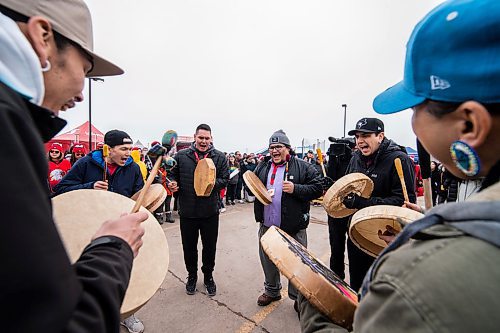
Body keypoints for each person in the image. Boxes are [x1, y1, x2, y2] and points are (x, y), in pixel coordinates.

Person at [299, 1, 500, 331]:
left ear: (469, 125)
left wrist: (314, 306)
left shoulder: (409, 279)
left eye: (416, 108)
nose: (414, 123)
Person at [0, 0, 148, 332]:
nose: (82, 93)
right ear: (42, 36)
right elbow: (59, 320)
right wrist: (113, 247)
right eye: (85, 68)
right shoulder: (7, 127)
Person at [340, 117, 416, 291]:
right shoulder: (355, 158)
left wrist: (363, 203)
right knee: (358, 283)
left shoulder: (399, 159)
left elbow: (404, 202)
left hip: (386, 236)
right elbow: (347, 184)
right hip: (356, 232)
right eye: (357, 136)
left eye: (365, 135)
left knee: (381, 287)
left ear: (380, 136)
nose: (360, 141)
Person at [252, 130, 323, 310]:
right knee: (268, 260)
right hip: (267, 225)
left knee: (297, 264)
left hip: (293, 226)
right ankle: (272, 291)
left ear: (288, 148)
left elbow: (318, 188)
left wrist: (296, 188)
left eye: (279, 147)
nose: (275, 151)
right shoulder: (263, 166)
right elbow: (253, 183)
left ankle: (297, 297)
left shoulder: (303, 166)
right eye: (272, 147)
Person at [167, 124, 229, 296]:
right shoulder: (181, 156)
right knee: (189, 247)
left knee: (209, 247)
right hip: (187, 211)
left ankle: (208, 276)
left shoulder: (219, 157)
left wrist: (209, 185)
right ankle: (192, 275)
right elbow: (172, 175)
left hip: (210, 211)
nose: (203, 141)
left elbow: (225, 178)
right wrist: (171, 183)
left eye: (207, 138)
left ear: (211, 138)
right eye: (200, 138)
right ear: (195, 137)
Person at [54, 130, 144, 198]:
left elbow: (138, 196)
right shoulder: (85, 163)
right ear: (108, 149)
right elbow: (61, 189)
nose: (128, 153)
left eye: (130, 149)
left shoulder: (134, 168)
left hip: (120, 218)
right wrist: (90, 186)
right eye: (124, 149)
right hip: (90, 217)